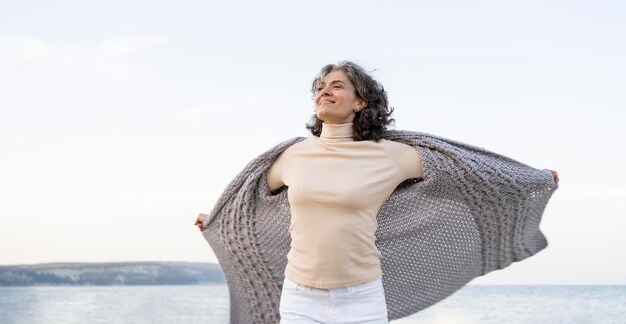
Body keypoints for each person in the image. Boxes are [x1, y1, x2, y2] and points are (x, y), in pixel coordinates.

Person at [195, 61, 559, 324]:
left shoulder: (393, 156)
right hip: (299, 296)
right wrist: (215, 220)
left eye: (337, 85)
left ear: (361, 102)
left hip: (361, 298)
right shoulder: (292, 155)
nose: (325, 90)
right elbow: (247, 200)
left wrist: (532, 177)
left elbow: (467, 173)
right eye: (321, 86)